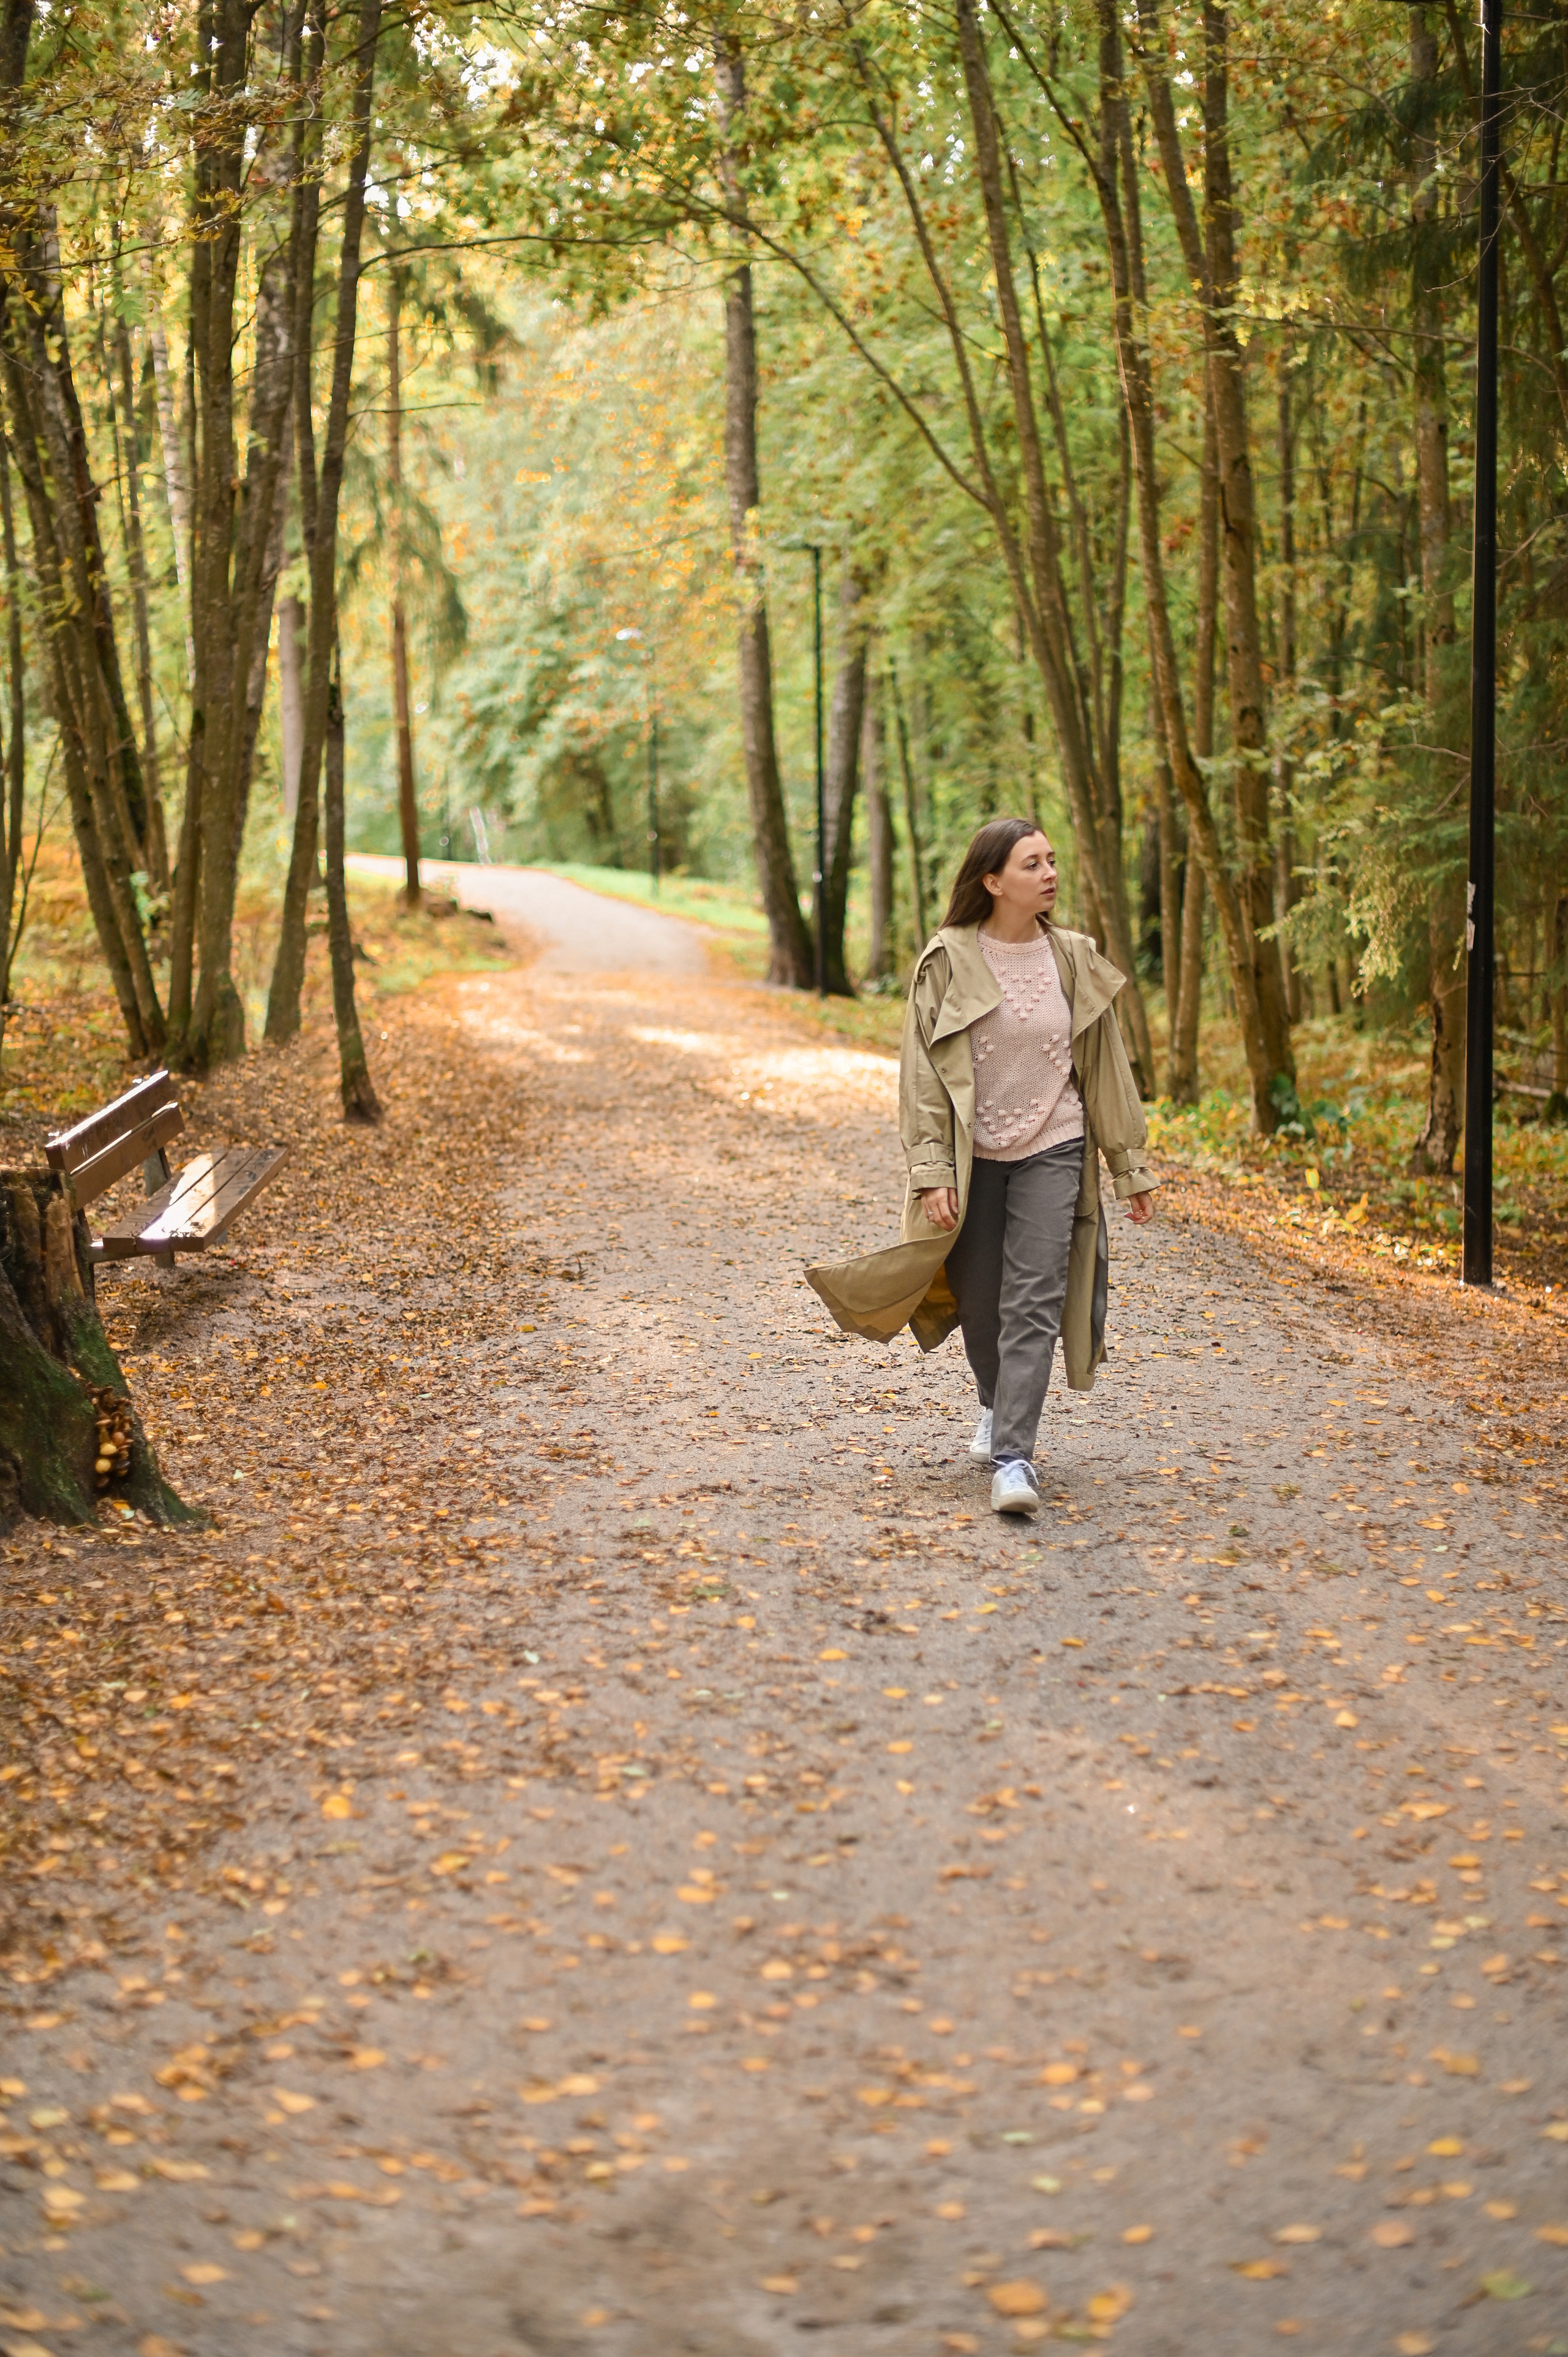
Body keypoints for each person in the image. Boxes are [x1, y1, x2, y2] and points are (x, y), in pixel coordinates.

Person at [807, 817, 1158, 1516]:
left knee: (1033, 1300)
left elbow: (1108, 1070)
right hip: (972, 1160)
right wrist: (932, 1169)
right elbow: (922, 1077)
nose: (1049, 872)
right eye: (1032, 864)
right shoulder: (946, 960)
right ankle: (996, 1403)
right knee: (978, 1301)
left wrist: (1128, 1165)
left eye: (1052, 860)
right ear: (993, 880)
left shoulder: (1075, 959)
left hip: (1054, 1148)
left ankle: (1014, 1458)